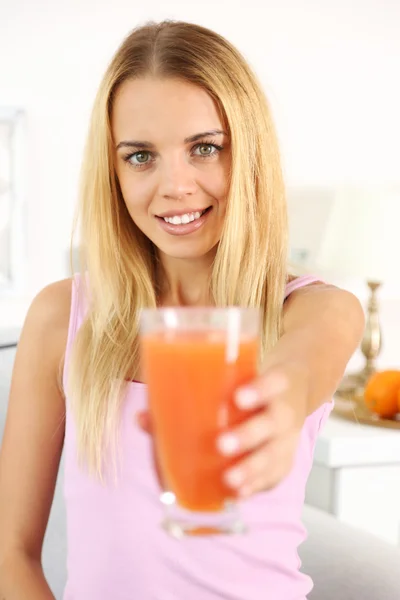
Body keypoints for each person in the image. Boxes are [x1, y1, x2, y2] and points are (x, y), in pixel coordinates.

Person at [0, 20, 364, 600]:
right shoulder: (61, 317)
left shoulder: (314, 309)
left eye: (205, 148)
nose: (175, 185)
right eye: (141, 156)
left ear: (247, 154)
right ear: (113, 173)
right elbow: (10, 553)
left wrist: (277, 402)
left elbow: (301, 366)